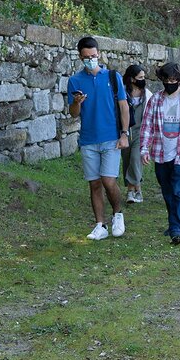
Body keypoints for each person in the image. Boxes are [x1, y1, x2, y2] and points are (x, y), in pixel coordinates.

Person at [67, 36, 130, 241]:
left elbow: (123, 106)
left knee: (108, 180)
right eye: (86, 57)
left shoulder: (112, 77)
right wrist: (77, 102)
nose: (90, 60)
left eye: (93, 56)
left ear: (99, 54)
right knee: (94, 184)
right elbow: (73, 114)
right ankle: (100, 225)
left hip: (111, 138)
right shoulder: (75, 81)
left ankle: (118, 214)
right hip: (88, 140)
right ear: (80, 57)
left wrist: (124, 134)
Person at [139, 62, 180, 245]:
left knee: (178, 192)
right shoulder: (155, 100)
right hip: (160, 153)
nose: (170, 83)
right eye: (166, 80)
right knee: (167, 192)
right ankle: (173, 222)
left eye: (173, 79)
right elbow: (147, 126)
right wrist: (144, 148)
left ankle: (176, 229)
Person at [121, 64, 153, 204]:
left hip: (141, 132)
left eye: (143, 77)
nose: (143, 80)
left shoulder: (147, 94)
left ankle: (131, 191)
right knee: (127, 160)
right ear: (132, 79)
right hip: (126, 132)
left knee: (135, 159)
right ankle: (137, 189)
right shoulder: (123, 92)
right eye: (140, 77)